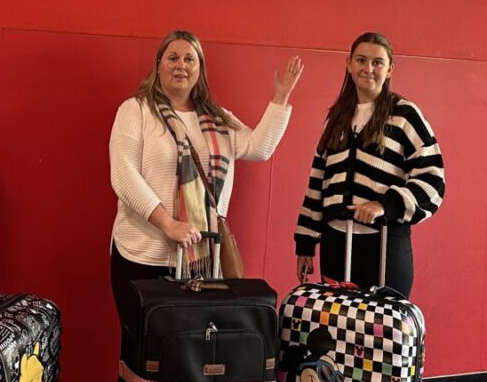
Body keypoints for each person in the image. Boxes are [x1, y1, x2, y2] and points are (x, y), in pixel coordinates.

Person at [109, 30, 303, 347]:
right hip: (143, 254)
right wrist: (168, 223)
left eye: (190, 59)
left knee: (189, 351)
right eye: (173, 58)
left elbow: (259, 148)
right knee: (142, 347)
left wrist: (281, 96)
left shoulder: (217, 118)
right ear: (158, 65)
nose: (181, 65)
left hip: (201, 259)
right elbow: (124, 175)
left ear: (200, 69)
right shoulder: (136, 110)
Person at [294, 32, 444, 296]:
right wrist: (306, 243)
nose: (368, 68)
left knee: (382, 322)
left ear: (390, 69)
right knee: (337, 321)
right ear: (349, 64)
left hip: (384, 246)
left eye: (377, 62)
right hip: (335, 245)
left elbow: (433, 180)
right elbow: (318, 182)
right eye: (361, 60)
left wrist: (385, 205)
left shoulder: (405, 115)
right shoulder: (337, 118)